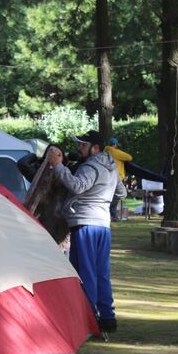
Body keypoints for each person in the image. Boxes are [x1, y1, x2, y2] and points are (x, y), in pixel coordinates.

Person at [45, 130, 127, 333]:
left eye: (83, 145)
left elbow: (78, 186)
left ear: (95, 148)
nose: (79, 148)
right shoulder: (111, 166)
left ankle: (88, 320)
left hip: (85, 223)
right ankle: (107, 318)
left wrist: (58, 166)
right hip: (103, 226)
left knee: (85, 272)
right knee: (101, 273)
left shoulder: (91, 166)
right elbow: (122, 192)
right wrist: (104, 202)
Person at [104, 137, 132, 221]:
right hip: (117, 177)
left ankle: (112, 215)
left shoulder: (105, 151)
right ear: (115, 145)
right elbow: (129, 157)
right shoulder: (114, 152)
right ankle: (112, 215)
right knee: (118, 196)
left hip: (107, 177)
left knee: (111, 196)